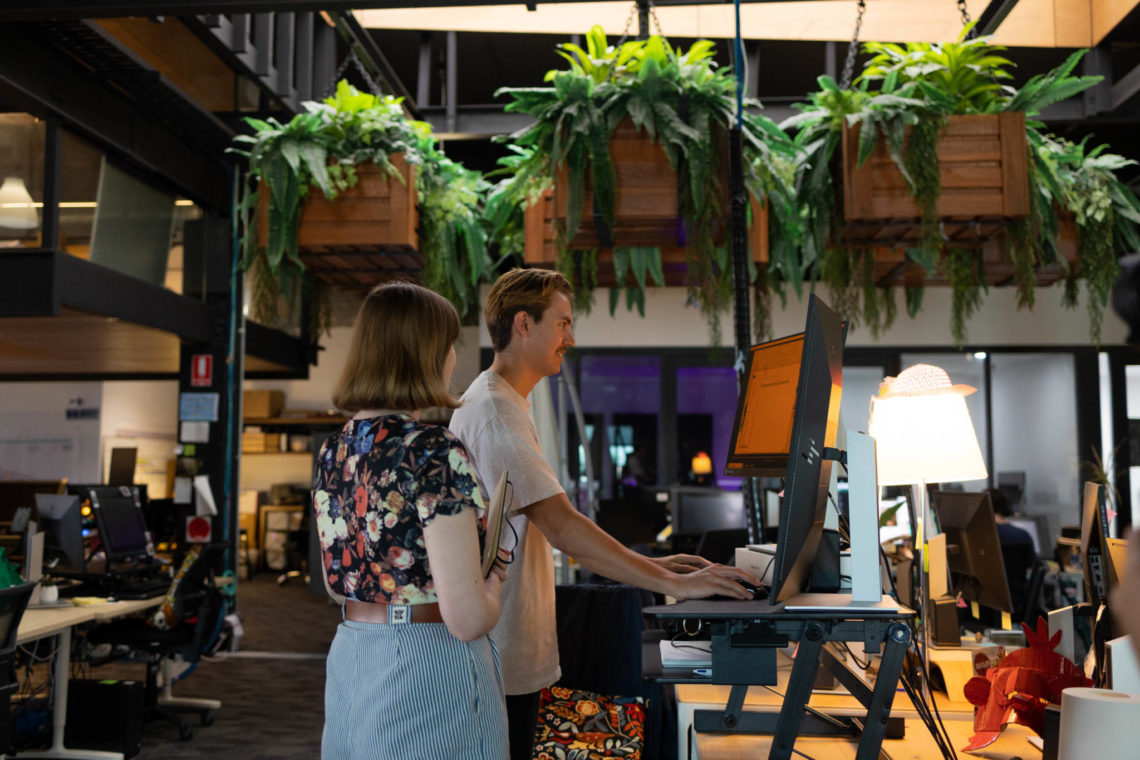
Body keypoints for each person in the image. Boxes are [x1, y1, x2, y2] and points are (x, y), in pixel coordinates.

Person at [450, 268, 760, 760]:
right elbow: (561, 526)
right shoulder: (495, 411)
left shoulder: (506, 403)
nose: (571, 338)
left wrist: (660, 567)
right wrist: (670, 583)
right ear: (524, 324)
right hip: (499, 657)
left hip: (506, 652)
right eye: (563, 323)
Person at [313, 281, 508, 760]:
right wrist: (496, 577)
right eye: (447, 346)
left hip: (351, 654)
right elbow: (466, 620)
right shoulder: (432, 451)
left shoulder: (334, 450)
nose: (451, 360)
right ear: (425, 354)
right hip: (426, 664)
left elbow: (338, 585)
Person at [984, 488, 1036, 621]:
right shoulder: (1023, 536)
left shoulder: (982, 537)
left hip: (986, 606)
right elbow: (1031, 567)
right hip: (1016, 604)